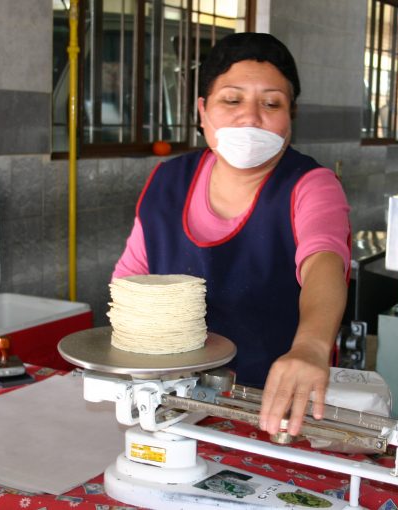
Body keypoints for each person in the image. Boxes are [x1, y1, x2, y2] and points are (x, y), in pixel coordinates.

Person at [112, 32, 351, 437]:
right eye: (232, 100)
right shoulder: (167, 181)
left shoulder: (310, 185)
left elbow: (324, 264)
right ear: (203, 111)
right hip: (172, 401)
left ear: (291, 115)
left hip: (274, 408)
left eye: (271, 103)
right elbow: (131, 282)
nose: (251, 117)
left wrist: (310, 347)